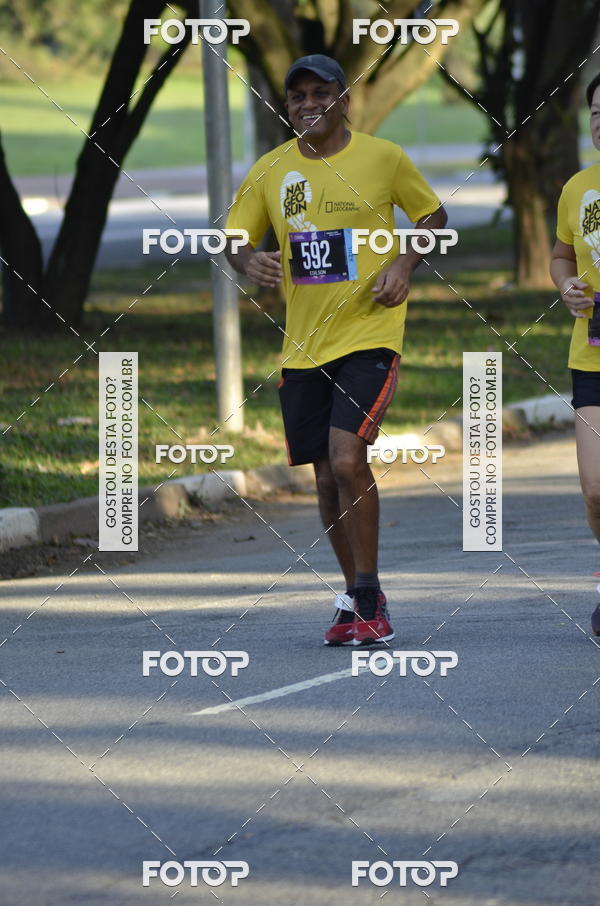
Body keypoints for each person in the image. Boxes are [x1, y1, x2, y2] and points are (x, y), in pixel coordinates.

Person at [225, 54, 447, 645]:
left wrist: (405, 262)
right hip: (303, 348)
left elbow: (433, 215)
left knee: (348, 459)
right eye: (296, 97)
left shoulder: (382, 157)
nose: (307, 105)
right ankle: (356, 599)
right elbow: (234, 238)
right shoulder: (270, 170)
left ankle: (370, 594)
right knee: (325, 479)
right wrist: (249, 260)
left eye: (320, 93)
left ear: (343, 99)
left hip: (370, 334)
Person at [550, 71, 600, 637]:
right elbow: (561, 256)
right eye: (595, 112)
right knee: (595, 488)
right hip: (592, 355)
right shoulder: (578, 188)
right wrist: (566, 286)